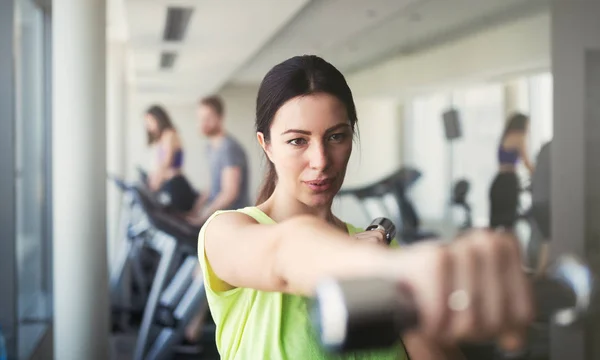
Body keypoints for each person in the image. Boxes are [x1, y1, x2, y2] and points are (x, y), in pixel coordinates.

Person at [197, 55, 533, 360]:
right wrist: (388, 271)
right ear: (266, 145)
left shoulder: (383, 252)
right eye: (297, 140)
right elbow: (284, 252)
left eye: (335, 137)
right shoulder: (226, 232)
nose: (321, 161)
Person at [187, 95, 250, 225]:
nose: (202, 123)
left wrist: (203, 218)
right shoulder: (210, 148)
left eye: (207, 118)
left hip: (234, 220)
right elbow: (213, 186)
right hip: (218, 218)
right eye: (200, 118)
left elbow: (229, 192)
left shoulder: (229, 148)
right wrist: (195, 209)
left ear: (220, 118)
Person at [144, 105, 199, 214]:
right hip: (169, 184)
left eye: (150, 121)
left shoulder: (170, 134)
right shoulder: (160, 138)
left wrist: (156, 182)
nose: (148, 125)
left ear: (158, 119)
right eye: (146, 122)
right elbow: (157, 164)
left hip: (176, 185)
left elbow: (166, 163)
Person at [489, 113, 535, 230]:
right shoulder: (519, 137)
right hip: (509, 182)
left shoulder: (505, 136)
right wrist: (539, 175)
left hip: (498, 181)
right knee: (509, 223)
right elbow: (527, 163)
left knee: (496, 223)